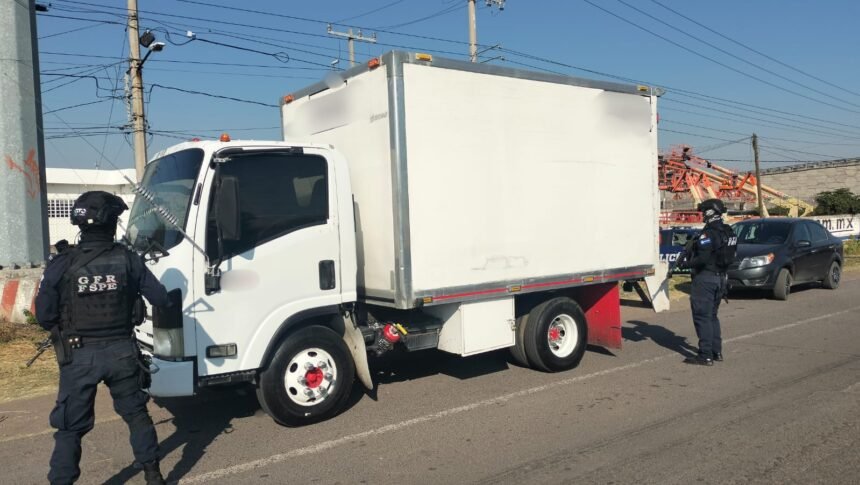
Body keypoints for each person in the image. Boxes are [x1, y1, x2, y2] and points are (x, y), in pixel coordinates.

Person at [35, 191, 169, 485]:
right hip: (122, 352)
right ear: (112, 222)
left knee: (70, 428)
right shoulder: (129, 260)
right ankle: (153, 475)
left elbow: (44, 315)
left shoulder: (62, 263)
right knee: (136, 415)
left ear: (79, 223)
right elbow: (160, 297)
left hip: (78, 354)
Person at [678, 198, 737, 366]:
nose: (702, 215)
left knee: (702, 317)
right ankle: (716, 351)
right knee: (712, 317)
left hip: (705, 279)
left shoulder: (708, 234)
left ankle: (705, 355)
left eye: (704, 212)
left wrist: (685, 264)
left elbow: (702, 259)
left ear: (710, 212)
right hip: (721, 278)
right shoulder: (728, 231)